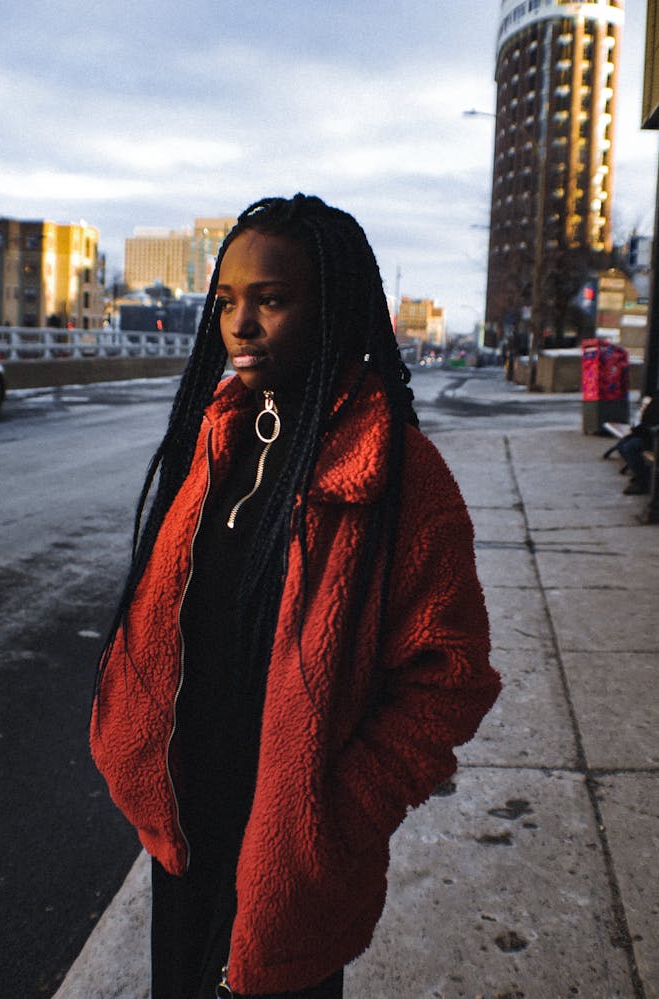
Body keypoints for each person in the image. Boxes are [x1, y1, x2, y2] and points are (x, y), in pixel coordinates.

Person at [90, 194, 501, 999]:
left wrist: (335, 816)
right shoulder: (215, 436)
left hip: (291, 849)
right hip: (187, 828)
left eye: (271, 300)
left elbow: (453, 677)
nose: (239, 324)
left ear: (333, 308)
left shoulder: (400, 475)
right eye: (227, 302)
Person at [617, 392, 659, 495]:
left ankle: (644, 482)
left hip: (654, 436)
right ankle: (643, 476)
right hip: (650, 434)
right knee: (622, 444)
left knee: (630, 447)